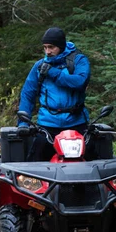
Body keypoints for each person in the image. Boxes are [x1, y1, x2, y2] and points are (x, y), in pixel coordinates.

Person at [18, 27, 91, 161]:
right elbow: (28, 94)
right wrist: (23, 123)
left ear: (61, 46)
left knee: (93, 164)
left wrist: (53, 73)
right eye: (45, 47)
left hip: (76, 123)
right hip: (47, 126)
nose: (48, 52)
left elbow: (80, 82)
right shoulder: (40, 66)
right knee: (33, 166)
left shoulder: (79, 61)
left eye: (51, 47)